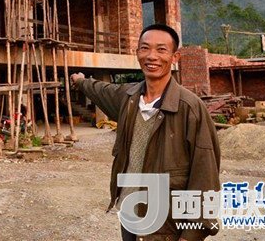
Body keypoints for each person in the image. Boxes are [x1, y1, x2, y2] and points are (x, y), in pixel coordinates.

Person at [71, 24, 220, 241]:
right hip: (129, 213)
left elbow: (205, 175)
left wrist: (192, 234)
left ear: (175, 57)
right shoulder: (128, 99)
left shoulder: (190, 108)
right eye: (145, 48)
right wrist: (80, 81)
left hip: (166, 225)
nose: (152, 56)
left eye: (161, 50)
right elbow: (101, 91)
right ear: (137, 53)